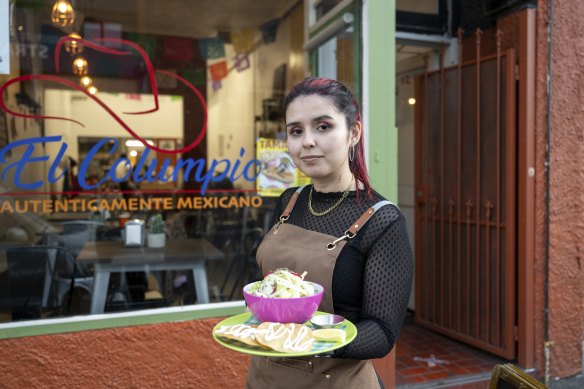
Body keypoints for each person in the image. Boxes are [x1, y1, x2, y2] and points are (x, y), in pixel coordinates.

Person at [246, 77, 414, 389]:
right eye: (296, 131)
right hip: (264, 379)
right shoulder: (288, 202)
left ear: (354, 133)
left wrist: (308, 340)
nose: (307, 141)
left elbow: (381, 333)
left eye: (323, 127)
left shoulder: (382, 221)